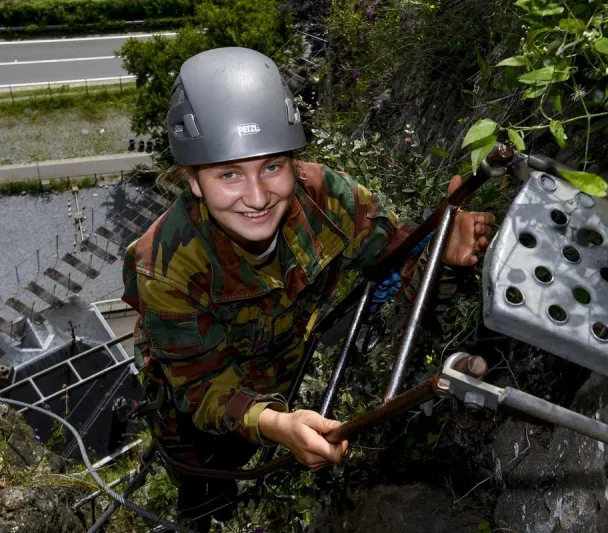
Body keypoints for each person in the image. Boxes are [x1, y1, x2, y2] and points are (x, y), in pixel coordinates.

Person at [121, 47, 495, 529]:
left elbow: (400, 267)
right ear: (193, 179)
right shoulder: (165, 263)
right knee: (207, 496)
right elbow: (201, 390)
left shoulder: (324, 198)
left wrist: (440, 254)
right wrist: (278, 425)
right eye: (229, 174)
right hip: (193, 417)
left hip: (279, 373)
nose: (257, 198)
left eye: (272, 167)